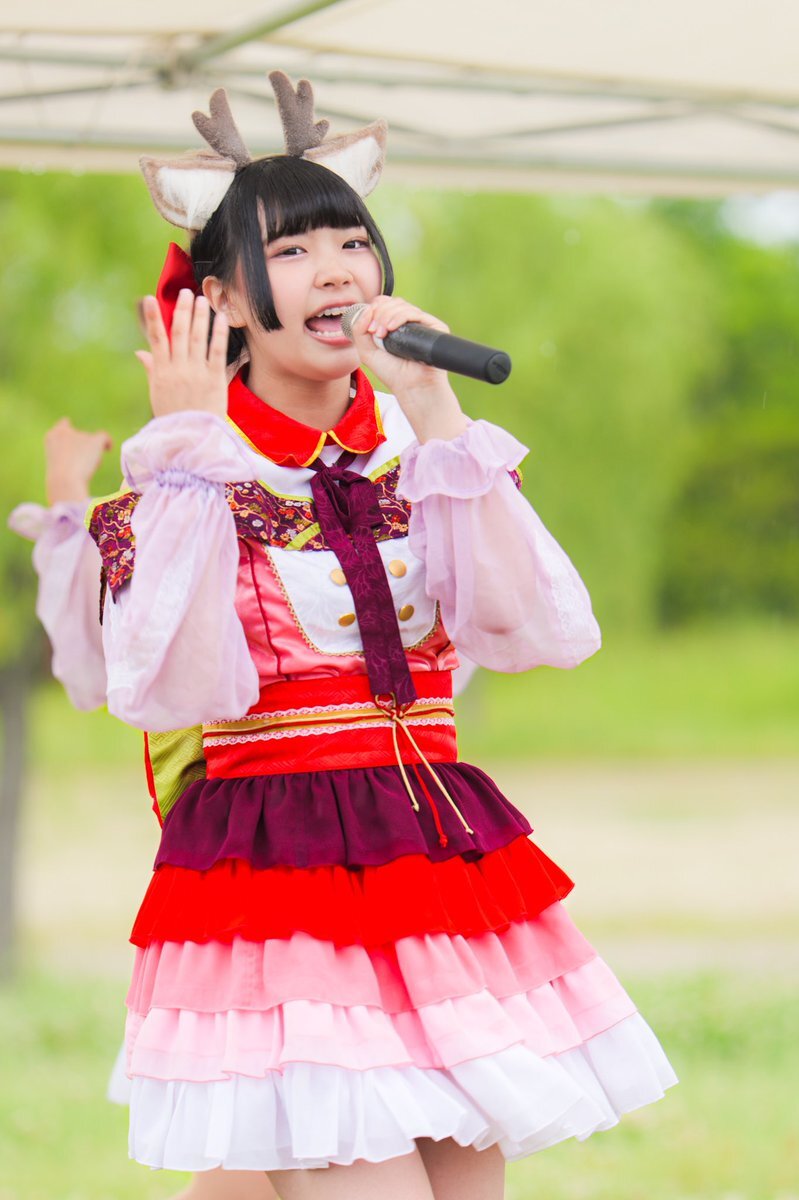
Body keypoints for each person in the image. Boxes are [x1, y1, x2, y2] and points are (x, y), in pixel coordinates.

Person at [11, 71, 676, 1200]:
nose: (335, 270)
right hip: (280, 872)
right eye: (292, 250)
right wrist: (185, 447)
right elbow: (161, 683)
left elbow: (534, 628)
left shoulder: (424, 457)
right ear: (222, 299)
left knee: (455, 1183)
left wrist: (432, 405)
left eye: (352, 243)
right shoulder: (185, 475)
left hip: (433, 862)